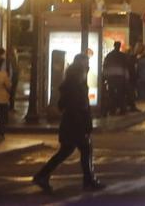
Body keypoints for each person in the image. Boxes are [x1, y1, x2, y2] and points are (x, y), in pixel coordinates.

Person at [33, 54, 103, 193]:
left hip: (71, 123)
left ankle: (42, 175)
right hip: (76, 123)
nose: (87, 66)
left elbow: (63, 104)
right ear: (80, 68)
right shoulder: (77, 85)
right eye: (86, 64)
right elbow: (80, 105)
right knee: (83, 150)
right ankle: (88, 180)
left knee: (68, 151)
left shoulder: (71, 83)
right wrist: (85, 123)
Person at [102, 42, 129, 116]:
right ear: (119, 46)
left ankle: (112, 109)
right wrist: (126, 77)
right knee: (121, 94)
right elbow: (126, 67)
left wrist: (104, 77)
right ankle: (122, 109)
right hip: (120, 77)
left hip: (111, 77)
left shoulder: (109, 55)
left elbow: (105, 66)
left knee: (111, 94)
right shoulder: (122, 56)